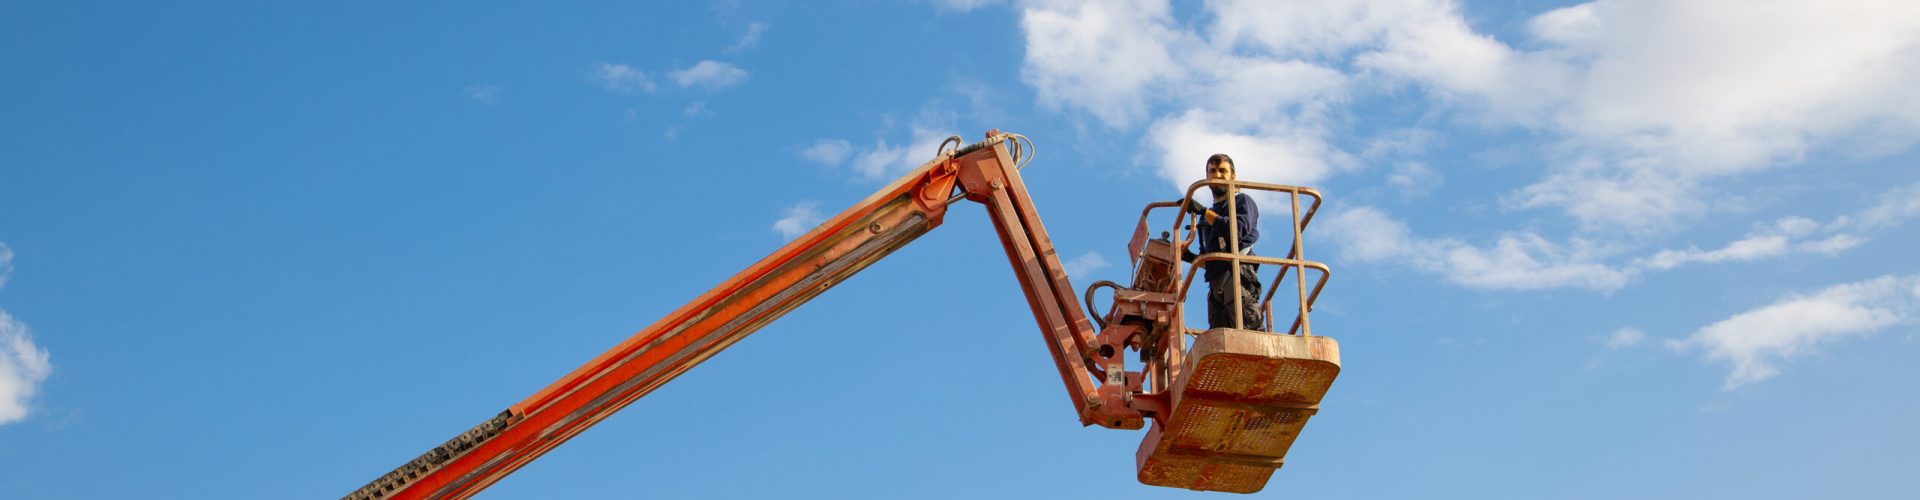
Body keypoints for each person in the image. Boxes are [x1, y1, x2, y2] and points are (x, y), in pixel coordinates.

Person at [1181, 153, 1263, 330]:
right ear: (1207, 177)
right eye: (1213, 171)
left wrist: (1203, 212)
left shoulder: (1242, 201)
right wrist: (1188, 257)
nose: (1217, 175)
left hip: (1238, 276)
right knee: (1221, 344)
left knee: (1249, 336)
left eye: (1222, 171)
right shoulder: (1208, 218)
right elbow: (1209, 259)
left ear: (1233, 176)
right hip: (1216, 289)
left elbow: (1236, 231)